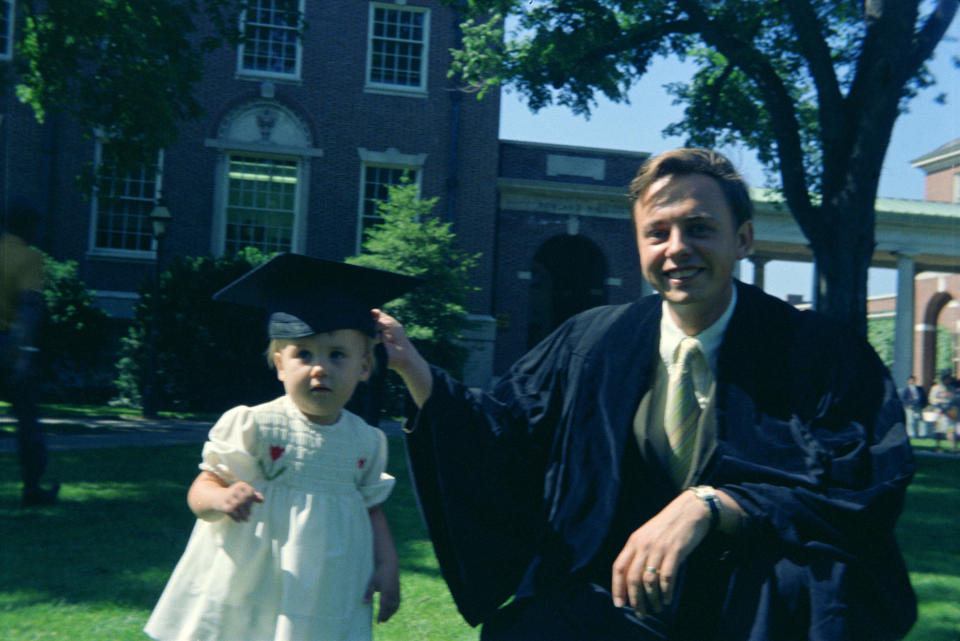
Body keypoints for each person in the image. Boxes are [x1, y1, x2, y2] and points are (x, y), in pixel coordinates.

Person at [377, 149, 916, 640]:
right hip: (613, 601)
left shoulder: (815, 350)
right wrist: (416, 369)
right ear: (638, 245)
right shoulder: (592, 341)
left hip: (752, 607)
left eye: (700, 228)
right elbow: (505, 433)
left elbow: (863, 480)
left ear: (744, 239)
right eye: (657, 232)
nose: (677, 248)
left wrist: (715, 504)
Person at [145, 253, 419, 641]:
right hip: (256, 574)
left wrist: (388, 564)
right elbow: (202, 486)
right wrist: (220, 498)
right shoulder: (253, 425)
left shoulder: (365, 440)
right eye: (303, 354)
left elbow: (370, 507)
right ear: (280, 365)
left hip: (330, 583)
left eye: (337, 355)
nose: (319, 367)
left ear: (363, 367)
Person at [0, 198, 59, 506]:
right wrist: (24, 353)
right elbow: (30, 306)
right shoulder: (30, 258)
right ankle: (33, 487)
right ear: (26, 226)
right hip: (8, 345)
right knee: (27, 421)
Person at [928, 371, 957, 453]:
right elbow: (931, 399)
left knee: (951, 430)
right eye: (947, 378)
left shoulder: (952, 388)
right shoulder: (936, 388)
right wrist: (940, 401)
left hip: (949, 412)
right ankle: (938, 446)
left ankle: (953, 447)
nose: (949, 380)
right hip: (939, 412)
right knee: (939, 430)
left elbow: (954, 398)